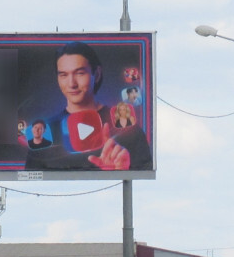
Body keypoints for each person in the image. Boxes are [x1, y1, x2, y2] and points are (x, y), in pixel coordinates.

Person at [25, 41, 151, 171]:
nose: (71, 84)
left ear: (96, 75)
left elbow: (145, 178)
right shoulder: (44, 131)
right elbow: (31, 183)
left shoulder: (127, 128)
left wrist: (122, 169)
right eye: (63, 75)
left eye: (80, 73)